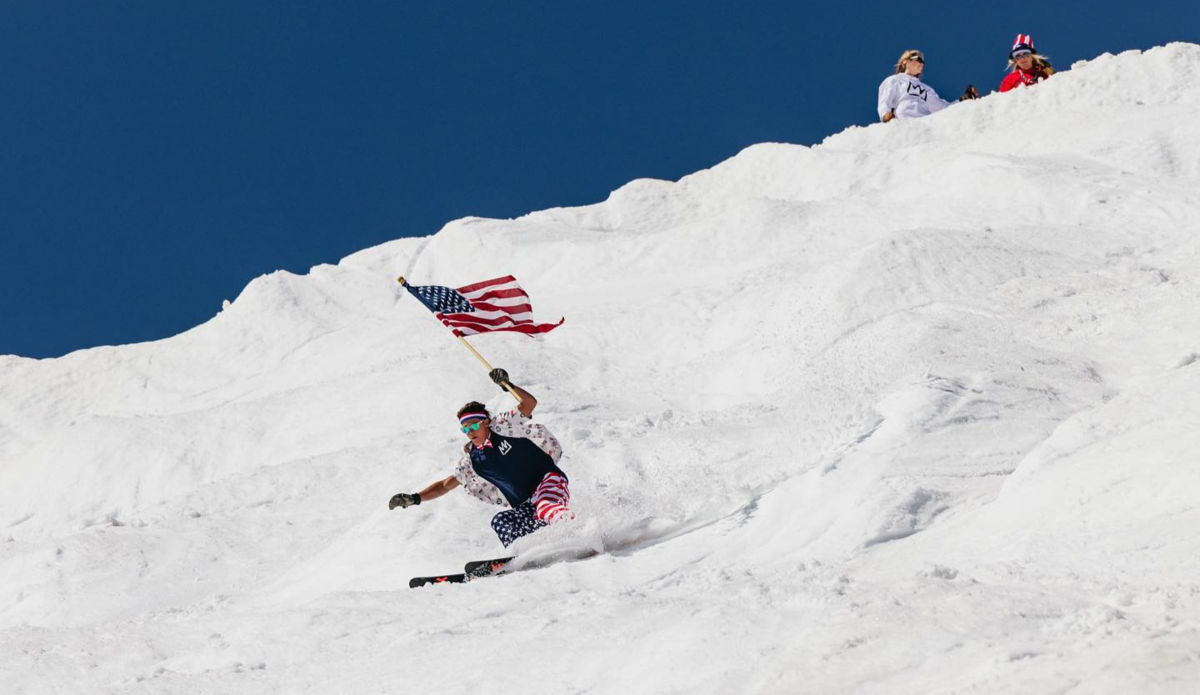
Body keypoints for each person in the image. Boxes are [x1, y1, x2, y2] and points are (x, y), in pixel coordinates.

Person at [388, 368, 573, 548]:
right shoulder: (472, 460)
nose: (470, 432)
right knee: (502, 521)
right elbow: (445, 486)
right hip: (527, 504)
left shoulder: (503, 426)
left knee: (545, 507)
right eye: (465, 429)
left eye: (473, 426)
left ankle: (577, 531)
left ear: (485, 422)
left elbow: (529, 404)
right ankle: (528, 552)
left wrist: (507, 385)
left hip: (548, 481)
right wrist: (415, 498)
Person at [878, 49, 979, 123]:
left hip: (925, 125)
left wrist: (963, 100)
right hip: (905, 123)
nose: (922, 64)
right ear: (905, 62)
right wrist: (885, 116)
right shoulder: (894, 80)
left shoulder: (927, 89)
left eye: (923, 62)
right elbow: (885, 100)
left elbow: (942, 108)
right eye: (918, 59)